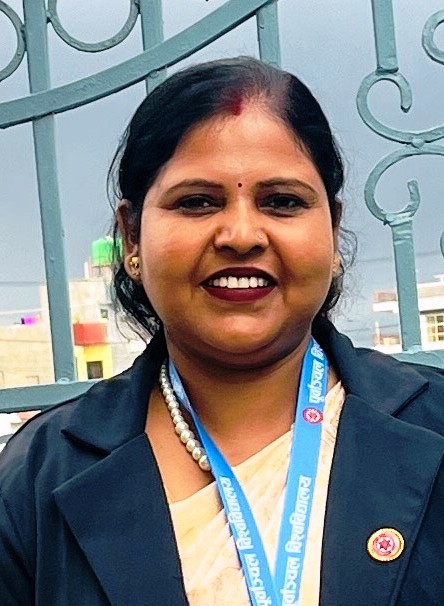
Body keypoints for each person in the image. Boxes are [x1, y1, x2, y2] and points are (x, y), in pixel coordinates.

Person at [1, 57, 444, 606]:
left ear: (332, 229)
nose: (240, 235)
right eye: (197, 202)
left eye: (282, 202)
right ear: (131, 238)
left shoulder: (433, 426)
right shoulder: (38, 478)